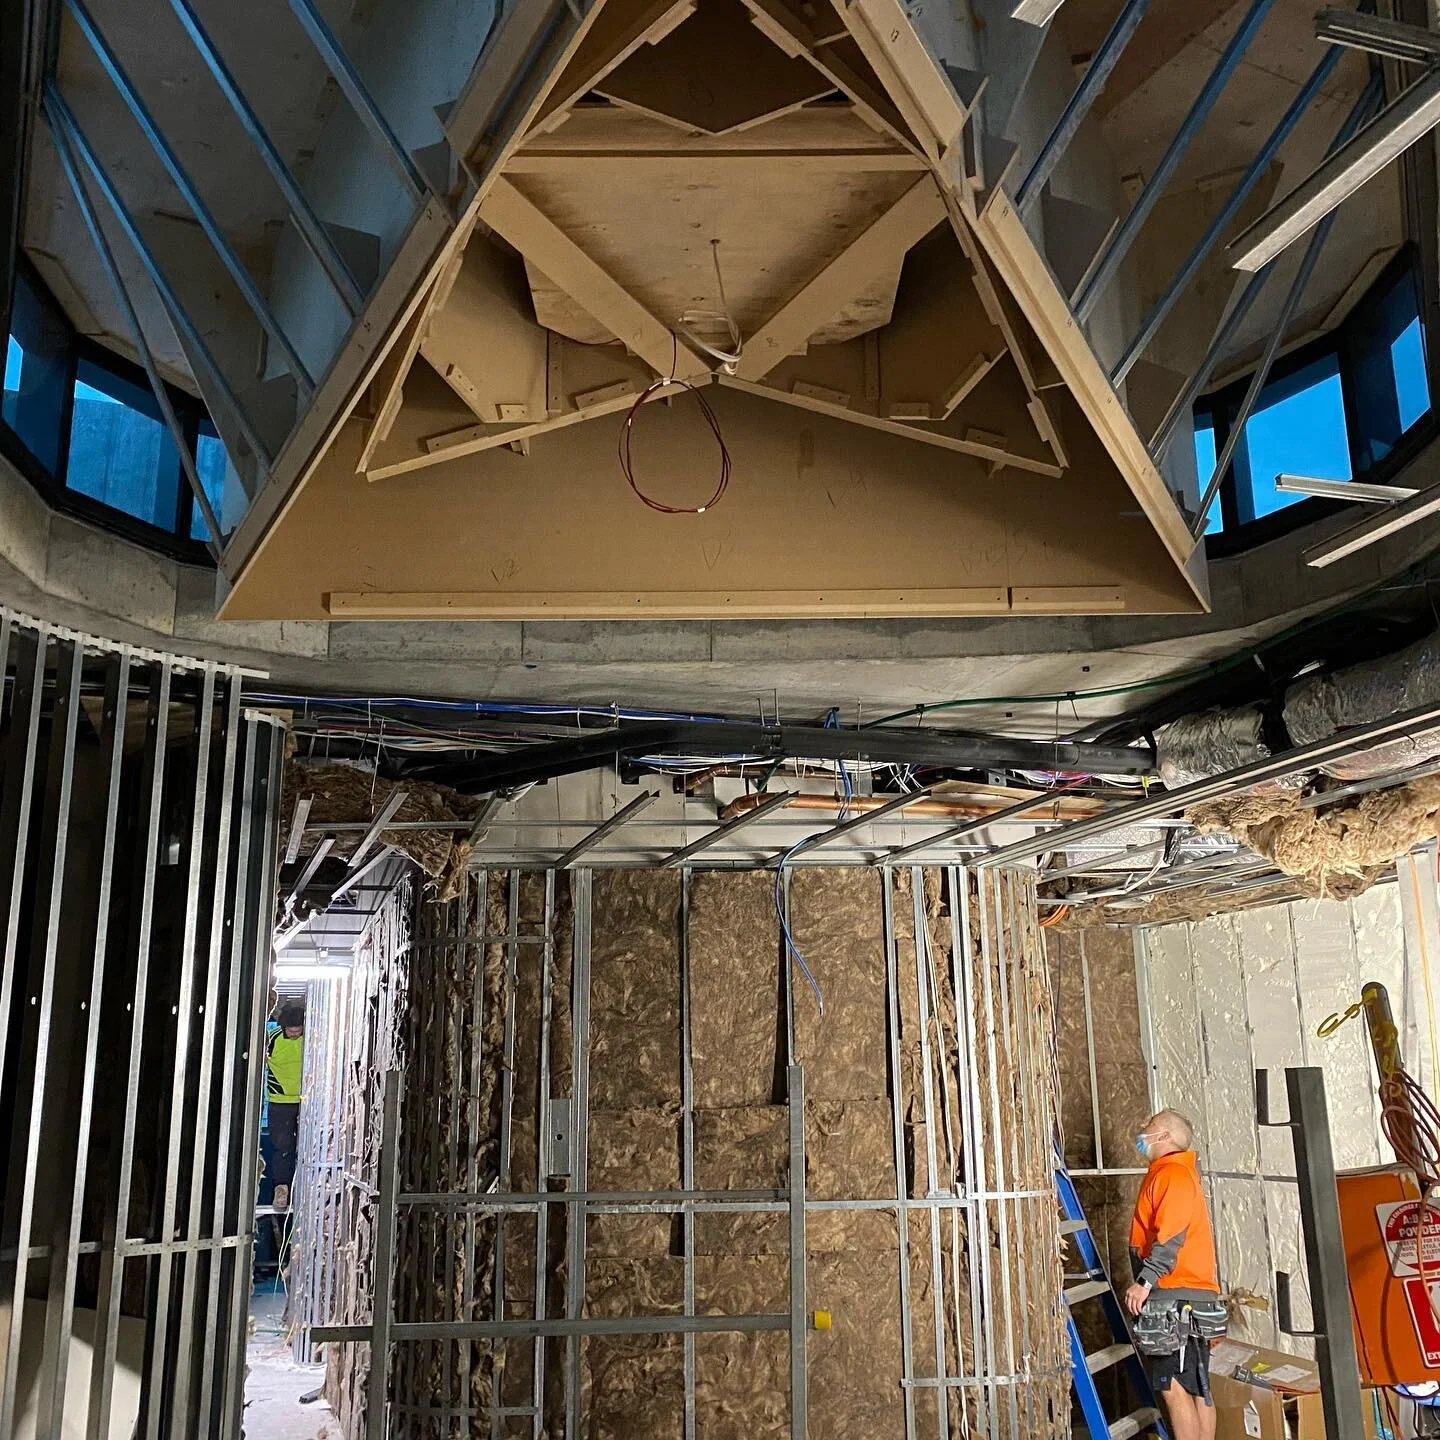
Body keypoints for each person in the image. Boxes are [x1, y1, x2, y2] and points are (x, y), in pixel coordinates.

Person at [1125, 1109, 1222, 1440]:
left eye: (1150, 1125)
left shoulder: (1172, 1175)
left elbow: (1171, 1237)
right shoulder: (1177, 1173)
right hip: (1190, 1295)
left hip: (1174, 1296)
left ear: (1165, 1136)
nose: (1143, 1128)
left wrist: (1144, 1281)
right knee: (1198, 1385)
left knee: (1174, 1386)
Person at [265, 1002, 305, 1212]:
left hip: (305, 1101)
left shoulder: (310, 1038)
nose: (295, 1034)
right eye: (291, 1030)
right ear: (283, 1027)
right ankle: (281, 1190)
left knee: (307, 1147)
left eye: (299, 1030)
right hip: (279, 1101)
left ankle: (305, 1192)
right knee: (283, 1148)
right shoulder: (272, 1039)